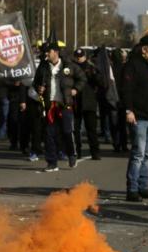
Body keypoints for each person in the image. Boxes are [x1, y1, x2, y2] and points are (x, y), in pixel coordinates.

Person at [121, 35, 148, 202]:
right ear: (145, 49)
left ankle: (143, 186)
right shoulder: (132, 65)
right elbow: (126, 90)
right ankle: (132, 189)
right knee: (138, 154)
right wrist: (128, 110)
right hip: (139, 115)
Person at [33, 43, 86, 172]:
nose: (46, 54)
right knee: (49, 134)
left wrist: (75, 90)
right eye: (45, 52)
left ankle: (71, 155)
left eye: (48, 52)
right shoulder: (43, 66)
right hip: (49, 104)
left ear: (55, 52)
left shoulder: (69, 65)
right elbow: (36, 82)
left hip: (64, 104)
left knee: (67, 132)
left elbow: (82, 78)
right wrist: (39, 88)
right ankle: (52, 162)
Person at [73, 48, 103, 160]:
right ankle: (77, 151)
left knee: (91, 129)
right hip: (76, 101)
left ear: (85, 56)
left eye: (81, 56)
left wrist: (94, 74)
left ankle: (95, 152)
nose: (79, 58)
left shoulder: (91, 67)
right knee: (75, 130)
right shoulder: (71, 68)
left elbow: (101, 82)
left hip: (89, 102)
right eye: (77, 56)